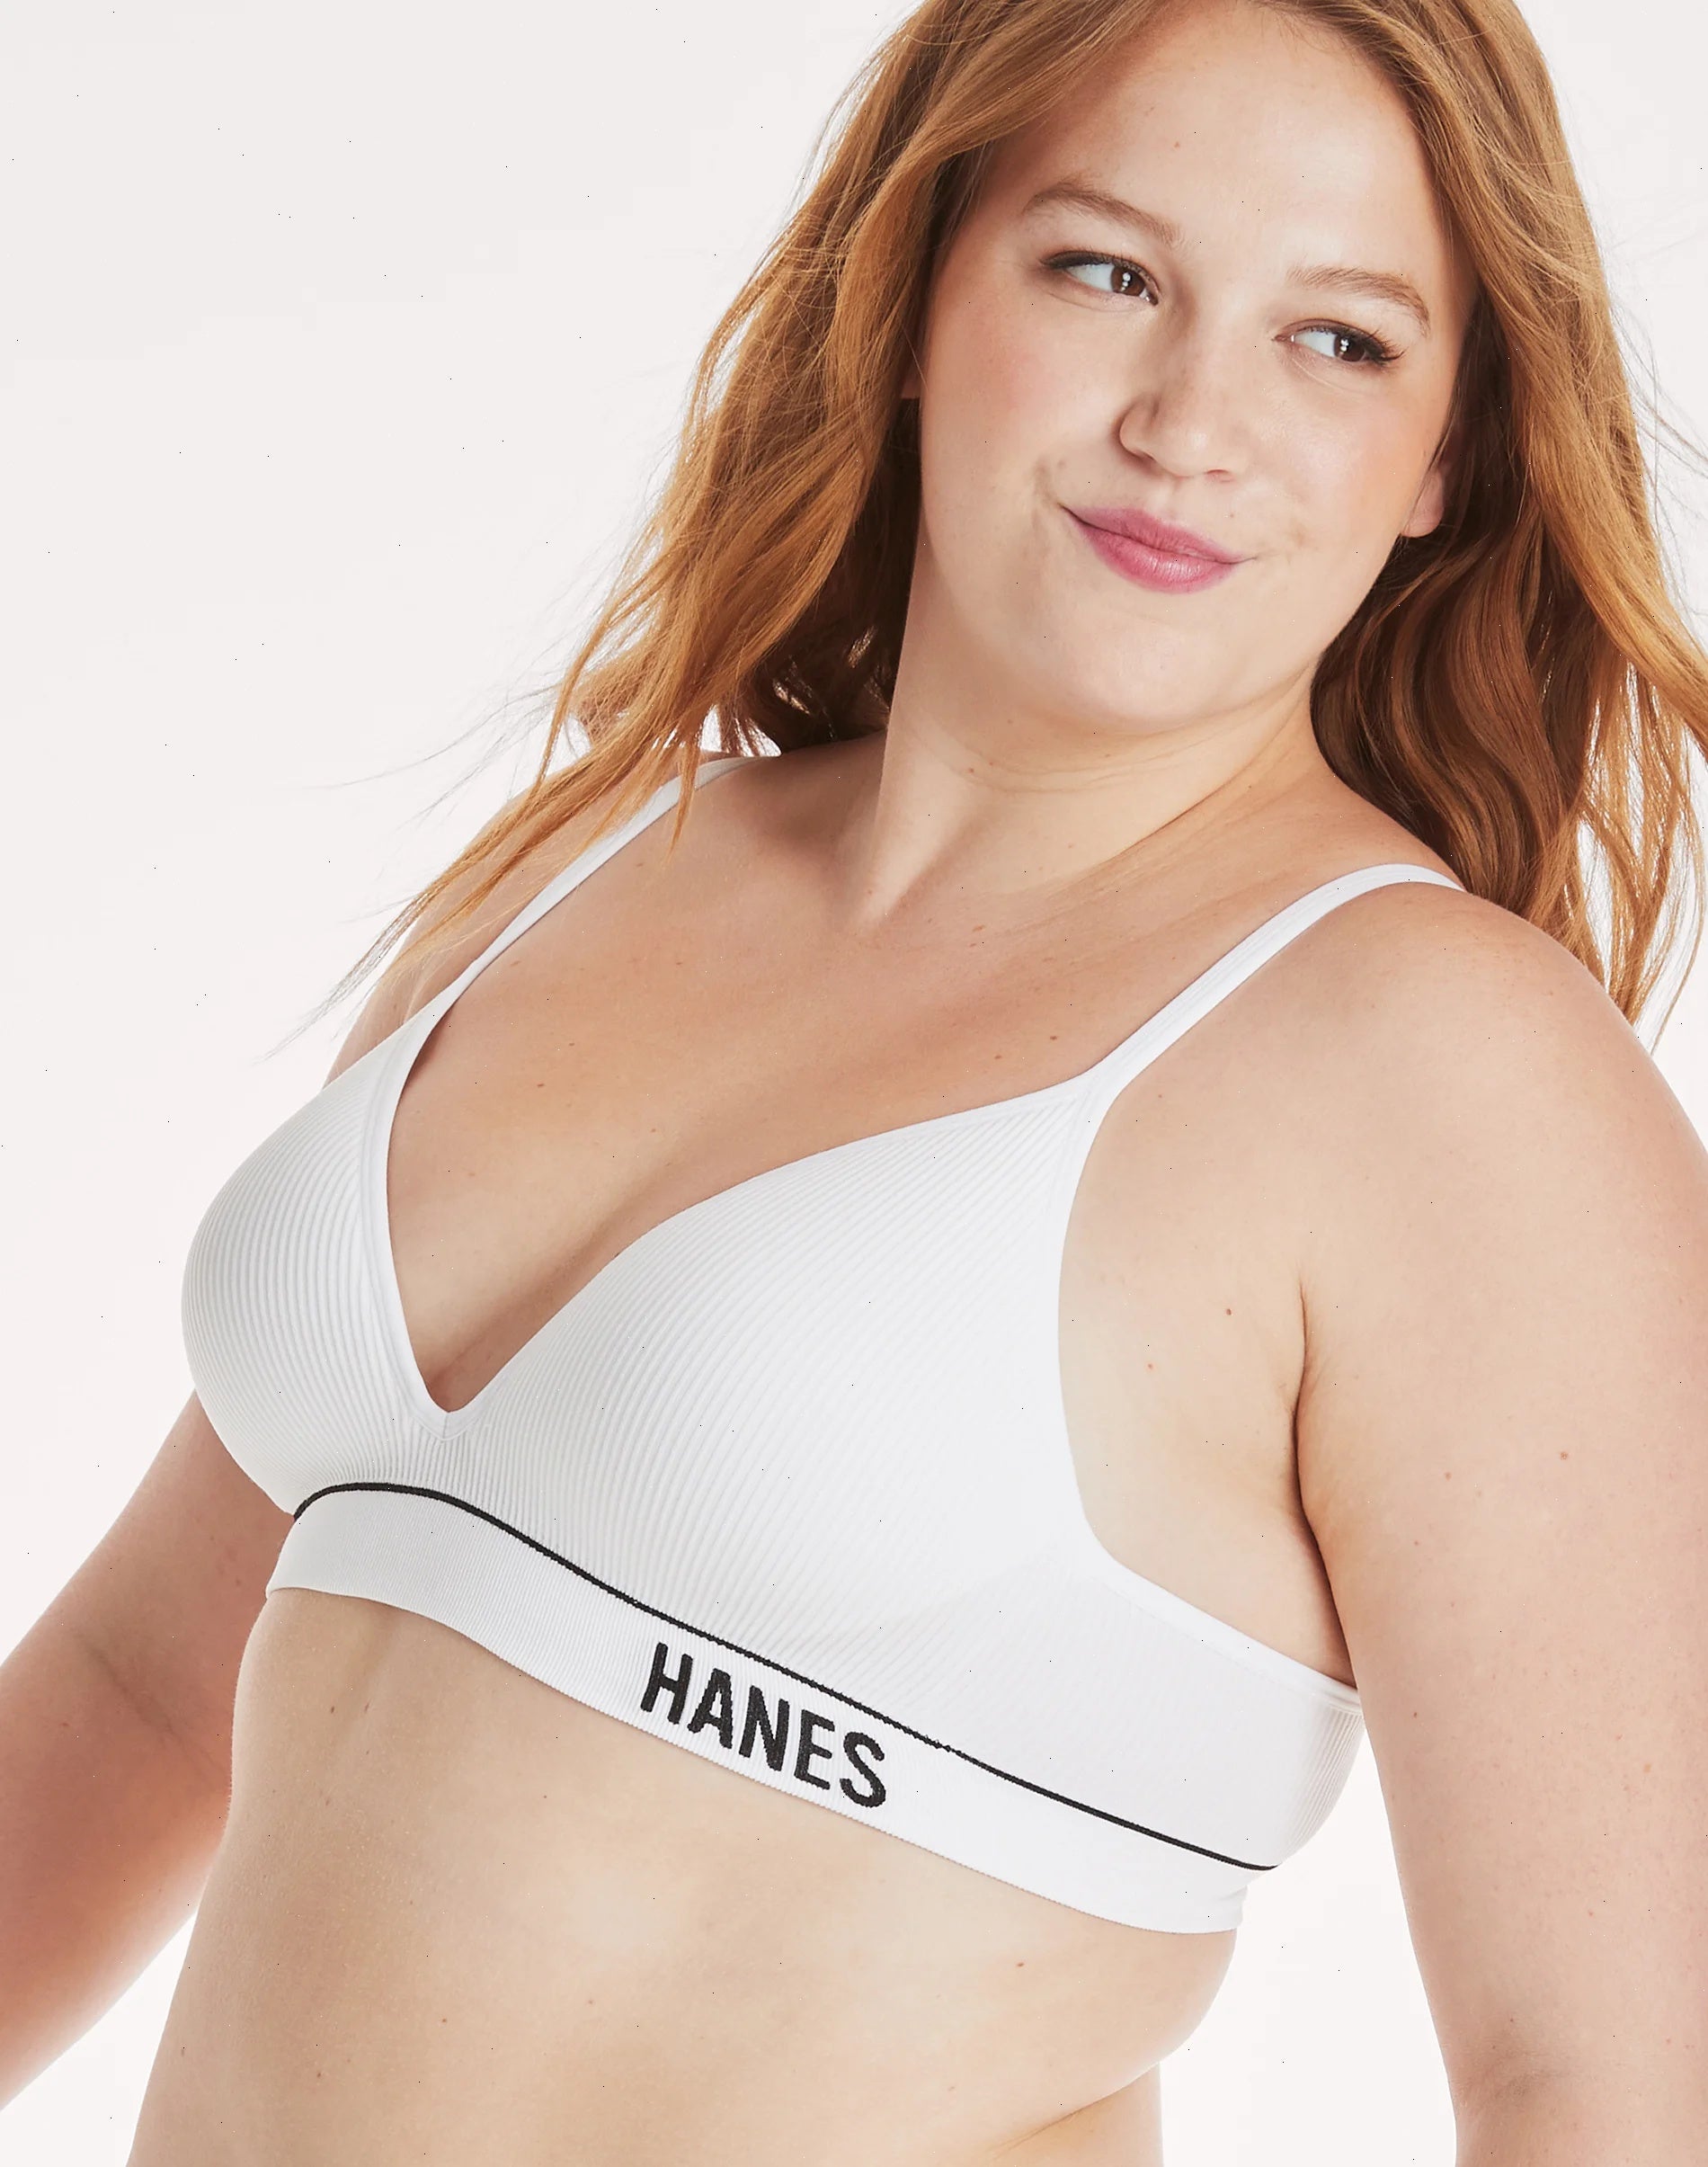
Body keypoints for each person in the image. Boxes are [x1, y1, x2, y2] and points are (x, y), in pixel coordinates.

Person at [4, 0, 1706, 2158]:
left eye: (1338, 339)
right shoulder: (596, 862)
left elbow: (1600, 2084)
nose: (1190, 421)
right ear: (915, 288)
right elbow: (144, 1695)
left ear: (1446, 451)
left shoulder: (1447, 1076)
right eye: (1107, 270)